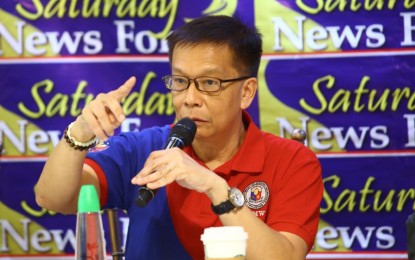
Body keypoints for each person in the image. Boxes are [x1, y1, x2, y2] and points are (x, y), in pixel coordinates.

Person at [35, 15, 323, 259]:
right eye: (181, 81)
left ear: (246, 92)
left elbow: (285, 255)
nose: (190, 98)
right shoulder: (143, 149)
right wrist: (80, 133)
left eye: (209, 83)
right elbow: (53, 198)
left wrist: (215, 188)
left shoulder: (293, 161)